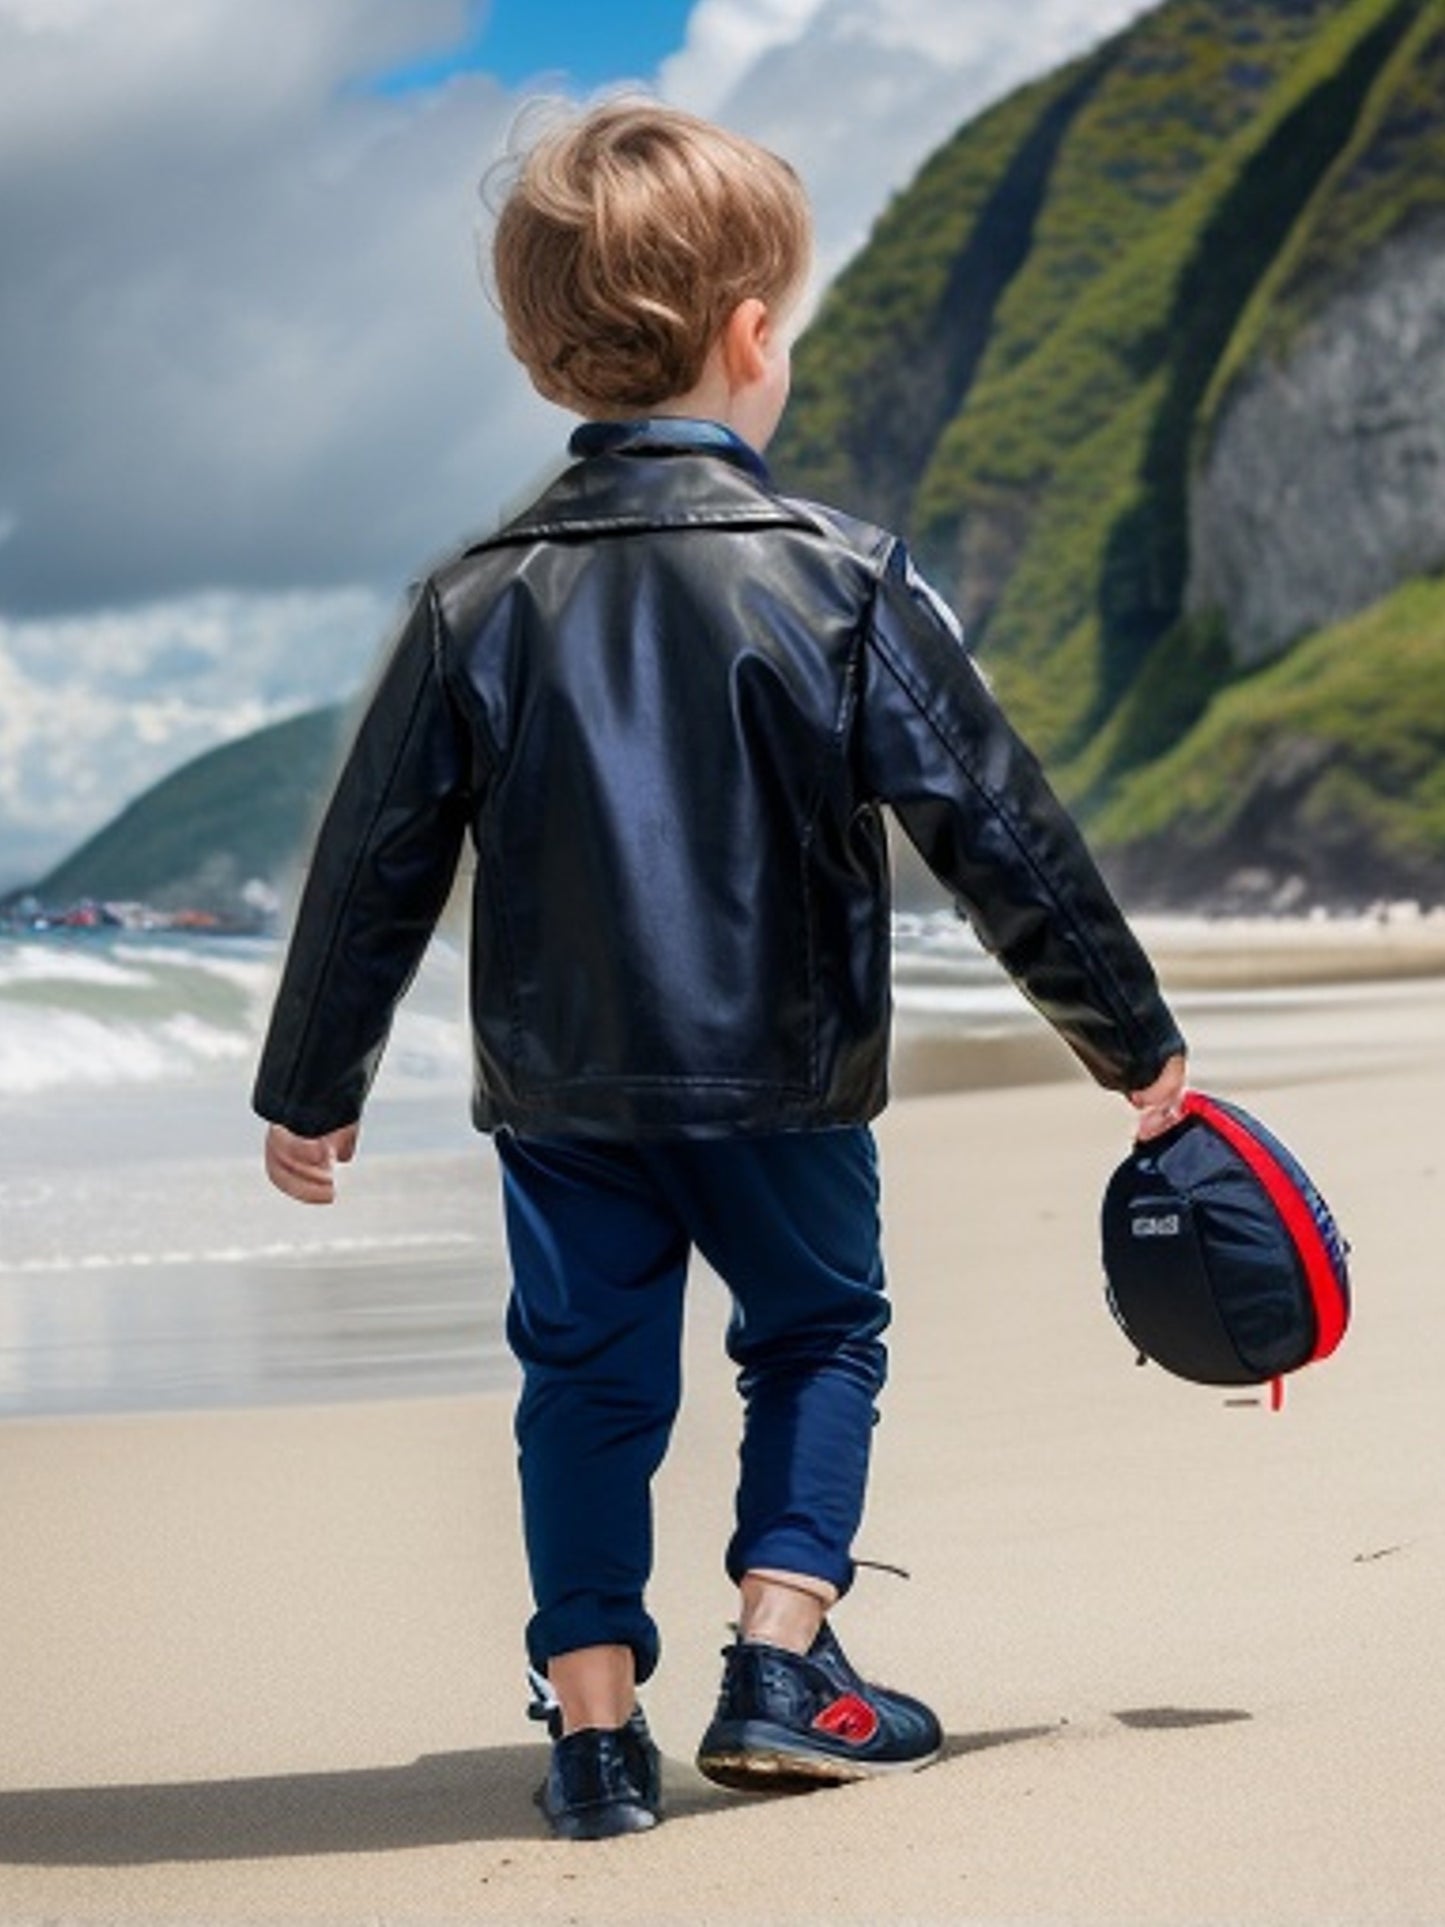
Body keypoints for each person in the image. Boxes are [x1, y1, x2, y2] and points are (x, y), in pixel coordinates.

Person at [254, 97, 1187, 1842]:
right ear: (753, 336)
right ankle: (781, 1661)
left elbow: (373, 862)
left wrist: (310, 1085)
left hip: (565, 1091)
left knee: (585, 1382)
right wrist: (1125, 1040)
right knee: (818, 1333)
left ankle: (596, 1735)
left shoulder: (472, 599)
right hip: (783, 1077)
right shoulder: (838, 583)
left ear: (548, 360)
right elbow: (995, 828)